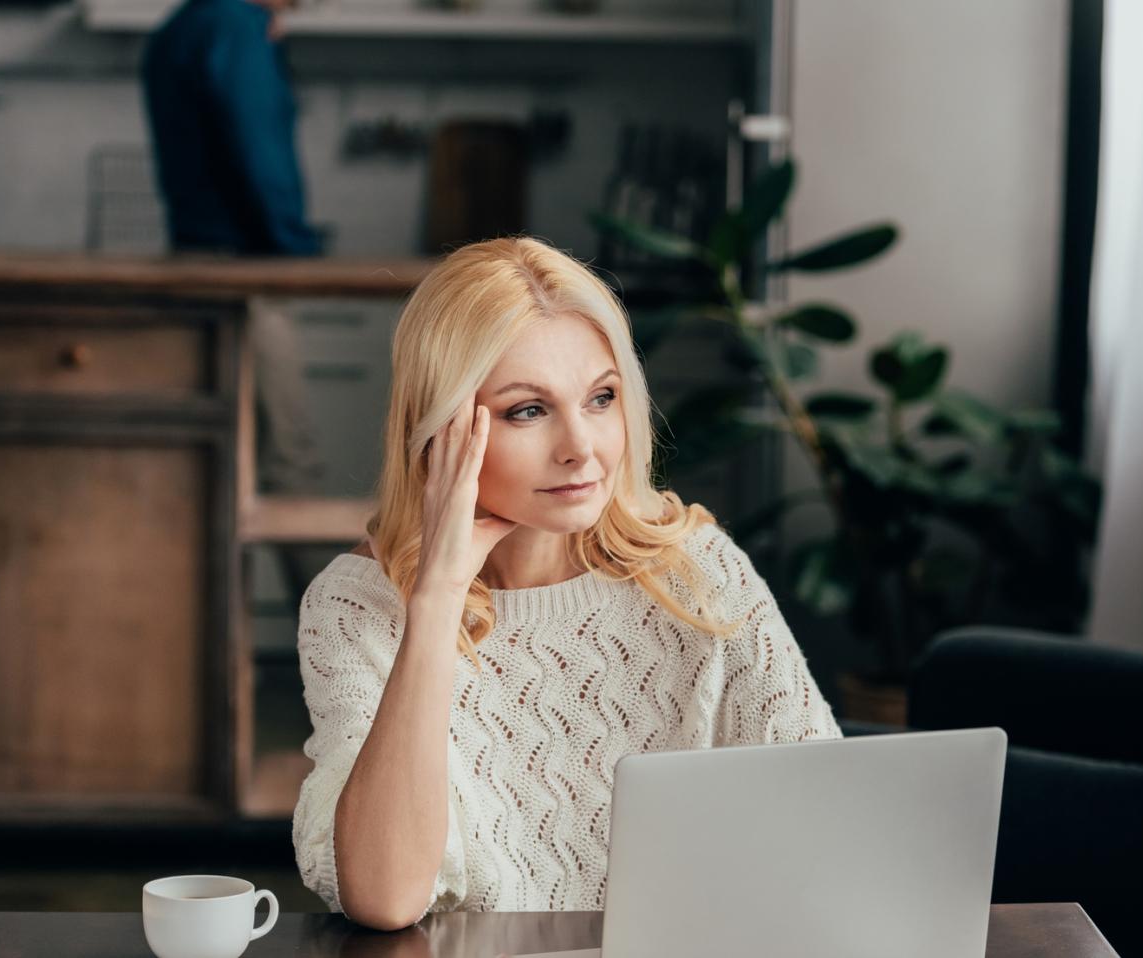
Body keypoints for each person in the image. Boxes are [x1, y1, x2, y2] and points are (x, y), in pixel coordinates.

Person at [290, 237, 842, 930]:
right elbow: (386, 897)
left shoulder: (696, 570)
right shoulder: (355, 607)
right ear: (442, 430)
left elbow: (829, 825)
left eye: (601, 398)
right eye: (529, 409)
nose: (582, 447)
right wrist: (435, 598)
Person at [141, 0, 325, 493]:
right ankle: (342, 577)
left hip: (194, 262)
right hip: (243, 273)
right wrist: (296, 250)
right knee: (289, 459)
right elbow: (260, 154)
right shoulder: (235, 28)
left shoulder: (182, 26)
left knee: (215, 465)